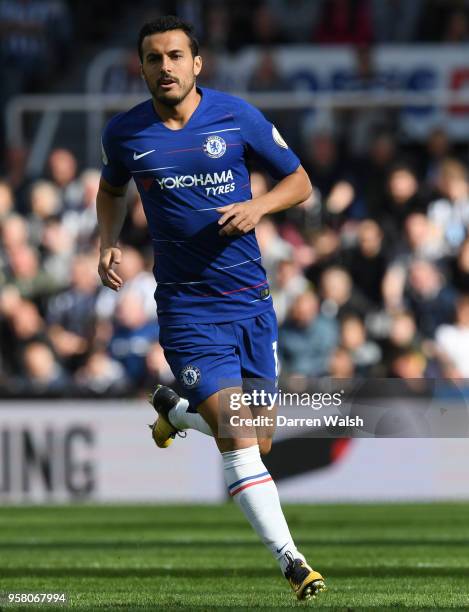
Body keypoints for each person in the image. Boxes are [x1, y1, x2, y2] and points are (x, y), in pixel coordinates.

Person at [95, 15, 325, 602]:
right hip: (187, 310)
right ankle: (293, 562)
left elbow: (299, 181)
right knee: (238, 435)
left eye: (175, 56)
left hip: (250, 302)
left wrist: (260, 207)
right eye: (153, 58)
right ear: (141, 67)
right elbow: (112, 188)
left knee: (258, 437)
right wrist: (107, 242)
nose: (165, 67)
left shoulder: (237, 115)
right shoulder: (125, 134)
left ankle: (175, 409)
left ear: (197, 64)